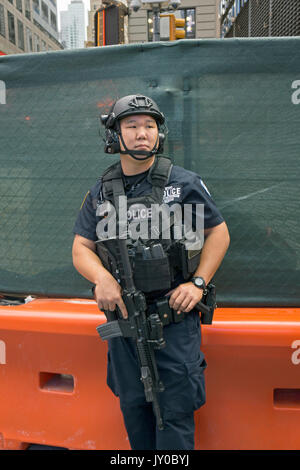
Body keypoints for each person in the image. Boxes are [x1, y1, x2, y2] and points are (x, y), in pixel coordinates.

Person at [72, 94, 230, 450]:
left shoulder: (184, 183)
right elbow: (81, 248)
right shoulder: (101, 191)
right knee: (133, 408)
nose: (143, 133)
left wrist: (199, 284)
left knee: (173, 415)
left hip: (172, 324)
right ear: (115, 135)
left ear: (160, 133)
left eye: (150, 126)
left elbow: (218, 233)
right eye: (132, 126)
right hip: (124, 326)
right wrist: (102, 278)